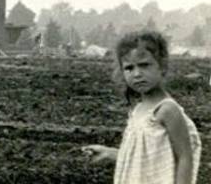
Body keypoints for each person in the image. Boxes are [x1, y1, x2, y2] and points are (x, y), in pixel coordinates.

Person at [83, 31, 201, 184]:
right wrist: (109, 153)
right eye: (129, 68)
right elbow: (144, 155)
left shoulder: (167, 110)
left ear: (162, 66)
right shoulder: (138, 110)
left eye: (144, 65)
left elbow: (185, 158)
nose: (137, 74)